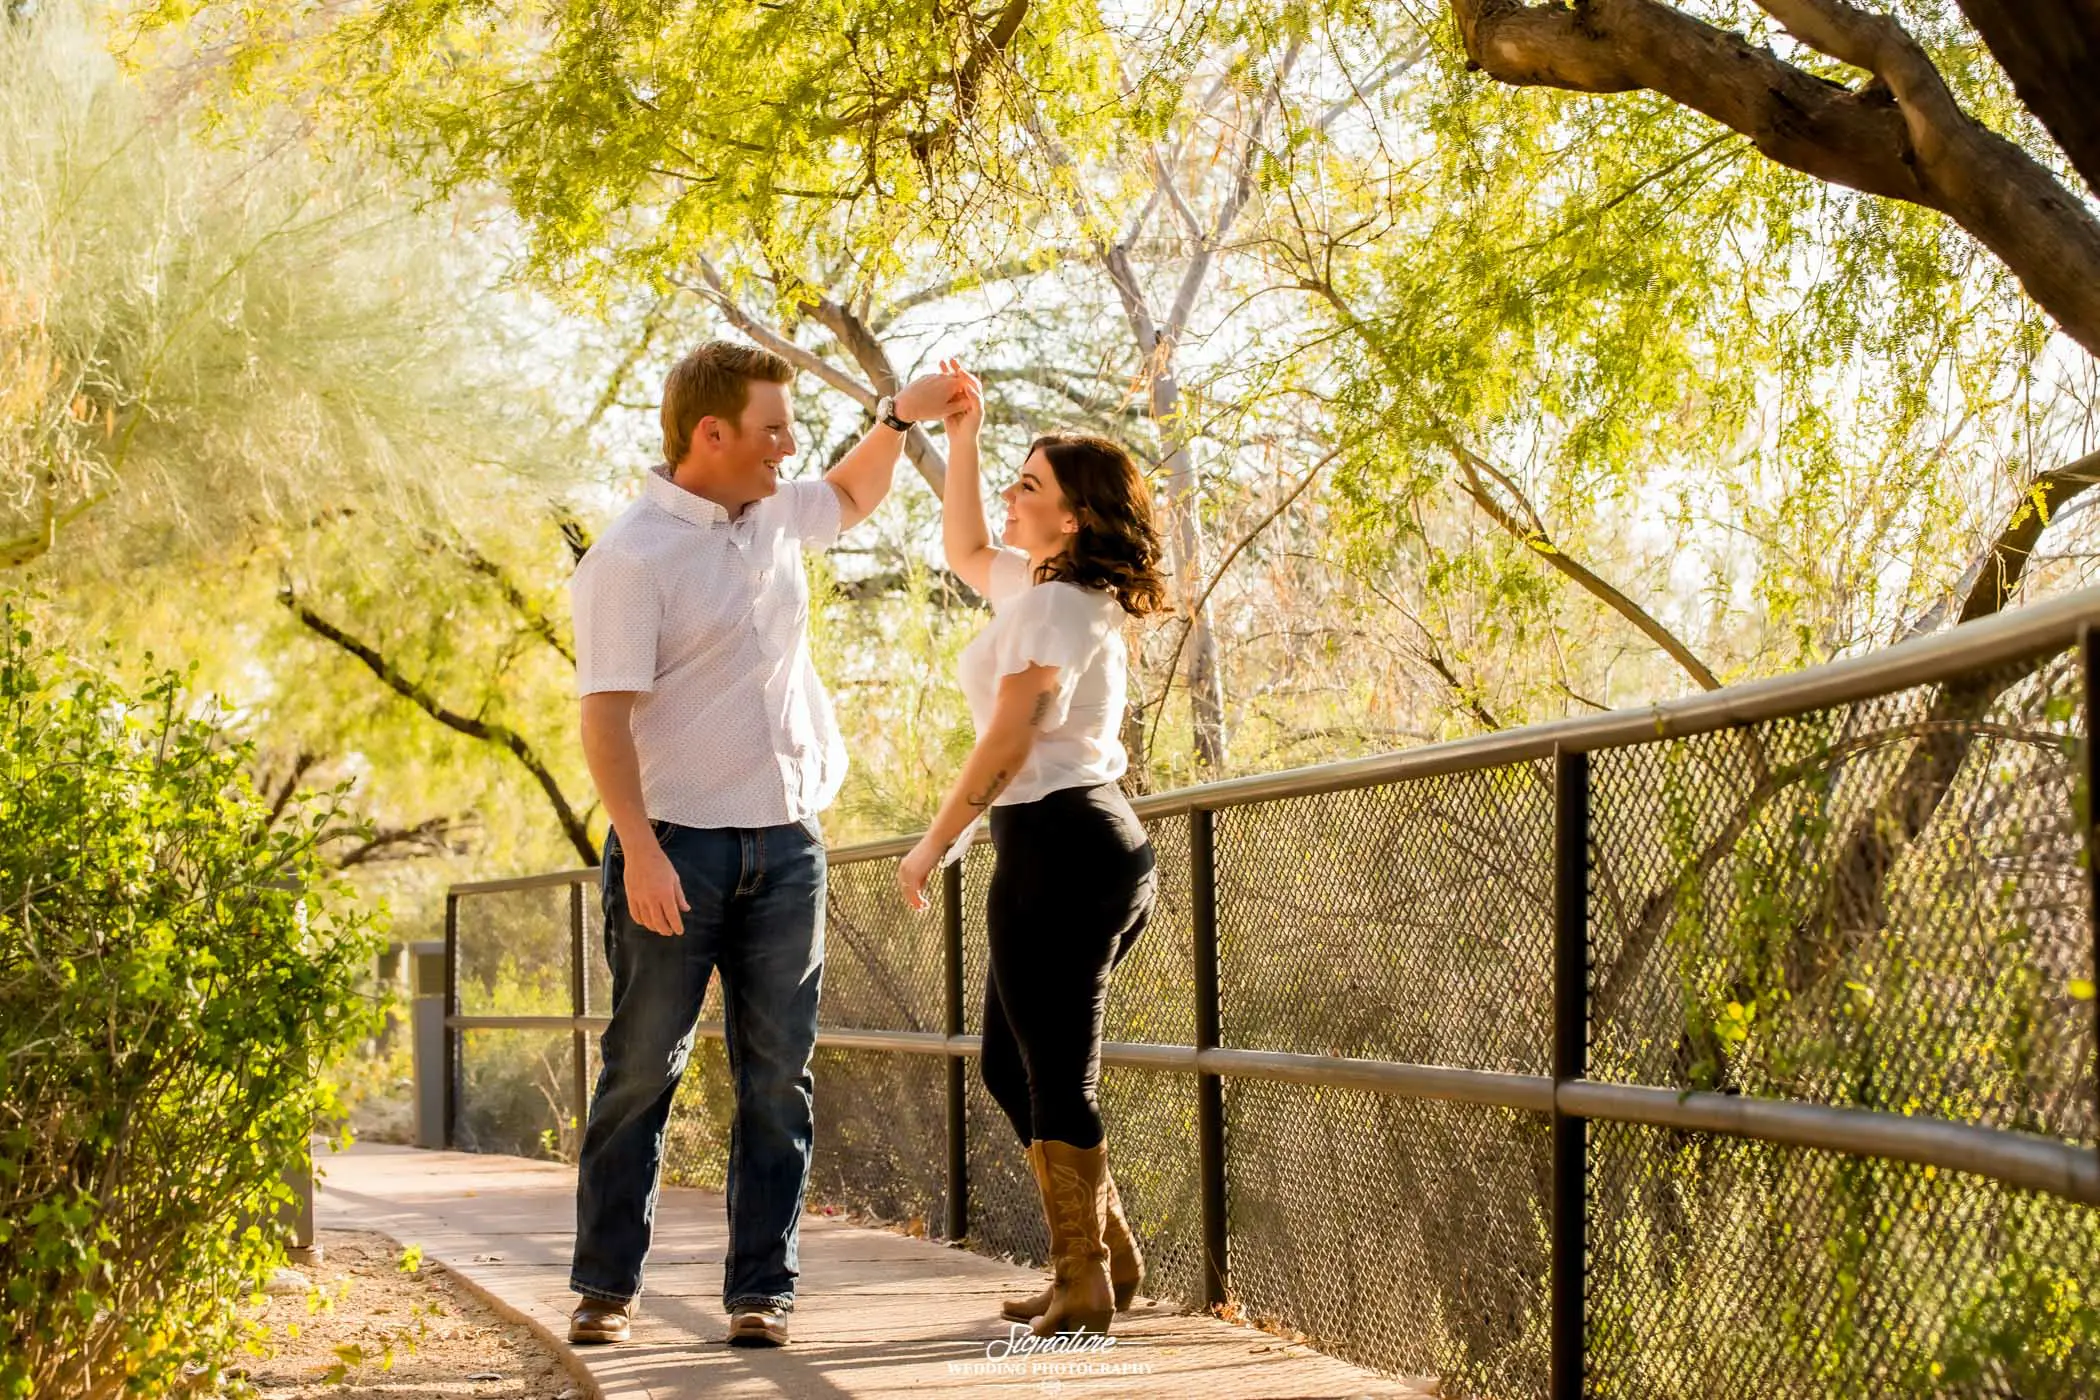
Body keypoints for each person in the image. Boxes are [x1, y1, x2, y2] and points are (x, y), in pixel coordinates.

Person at [567, 340, 966, 1348]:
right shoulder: (630, 556)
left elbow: (850, 492)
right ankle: (607, 1286)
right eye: (773, 429)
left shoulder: (775, 515)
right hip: (676, 850)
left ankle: (761, 1289)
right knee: (640, 1068)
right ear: (712, 434)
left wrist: (899, 414)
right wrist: (641, 849)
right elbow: (604, 721)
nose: (789, 446)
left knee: (778, 1076)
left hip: (788, 844)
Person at [897, 360, 1169, 1336]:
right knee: (1014, 1067)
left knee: (1055, 1072)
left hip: (1062, 845)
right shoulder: (1048, 588)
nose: (1011, 497)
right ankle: (1103, 1259)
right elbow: (966, 545)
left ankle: (1084, 1279)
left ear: (1075, 518)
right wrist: (961, 431)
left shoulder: (1055, 607)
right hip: (1073, 844)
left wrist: (934, 842)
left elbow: (1011, 736)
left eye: (1029, 487)